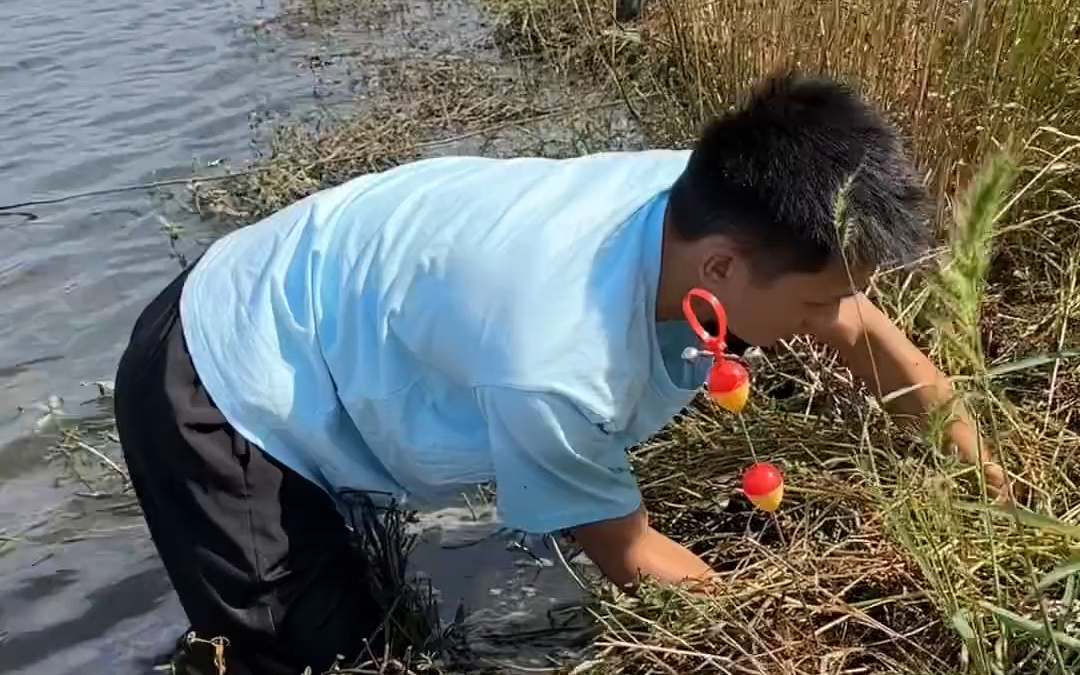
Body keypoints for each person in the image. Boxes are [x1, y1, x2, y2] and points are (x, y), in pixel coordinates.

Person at [114, 74, 1009, 675]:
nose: (832, 320)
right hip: (219, 383)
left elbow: (858, 321)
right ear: (725, 270)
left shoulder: (707, 199)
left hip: (317, 291)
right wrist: (809, 640)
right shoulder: (558, 361)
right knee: (321, 656)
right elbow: (634, 557)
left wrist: (987, 472)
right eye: (814, 304)